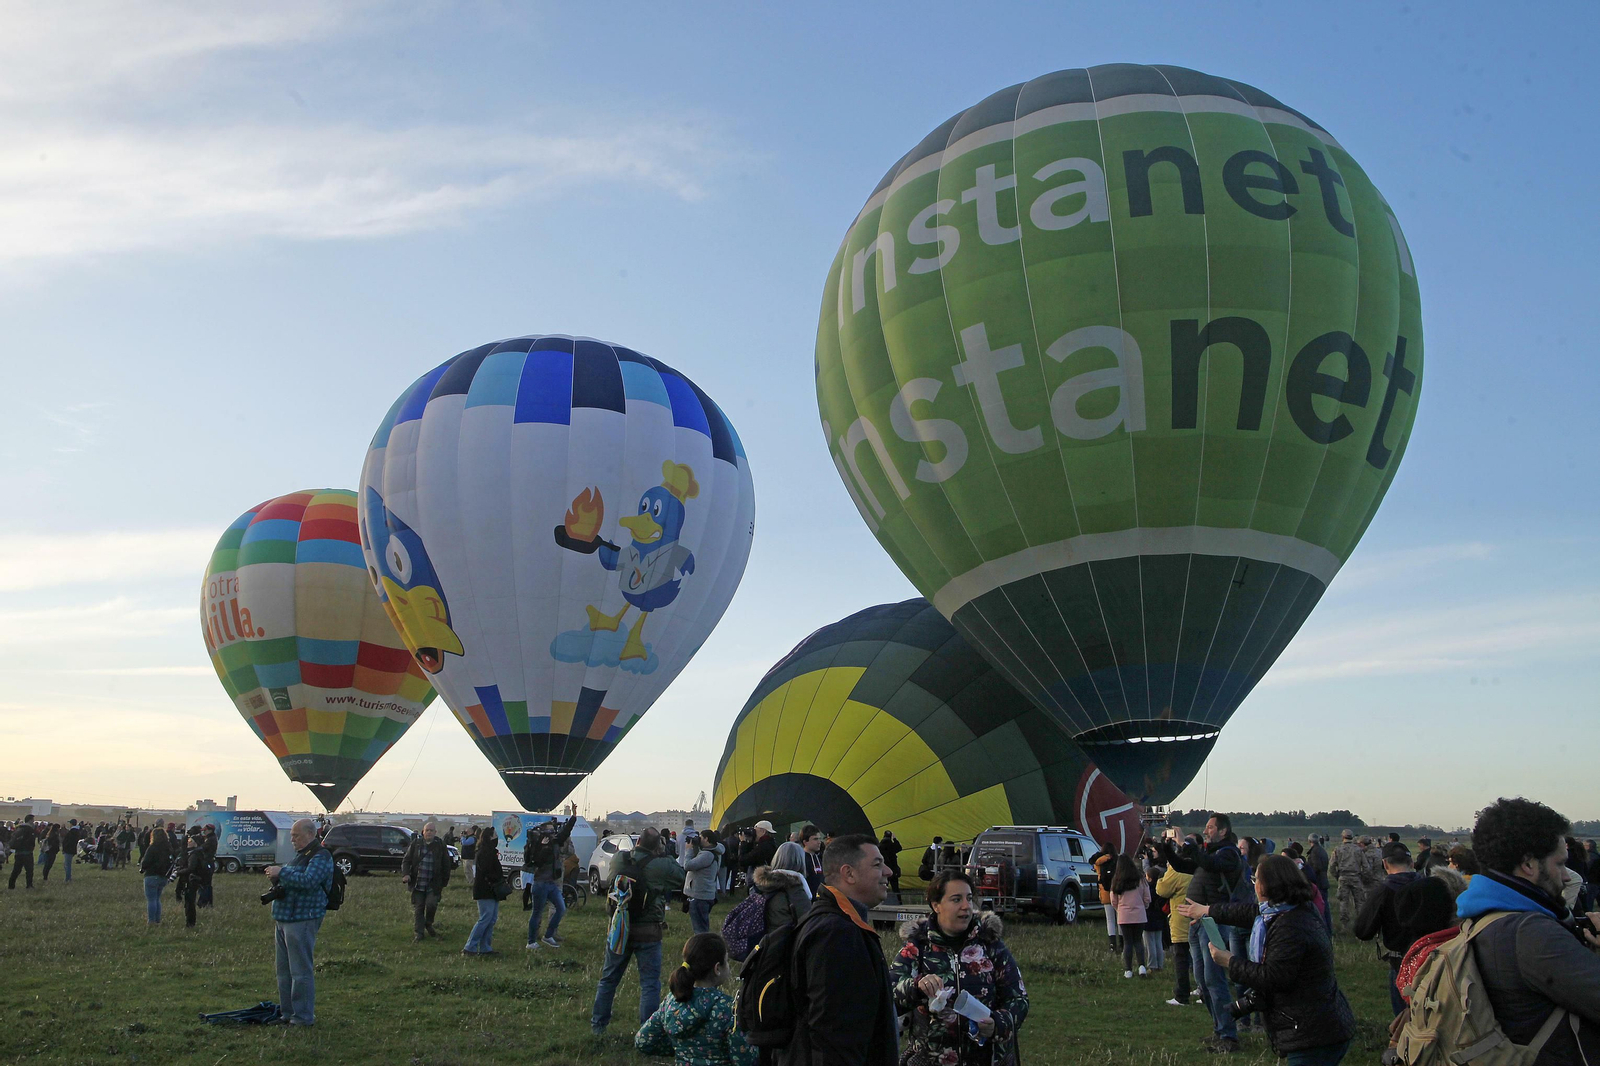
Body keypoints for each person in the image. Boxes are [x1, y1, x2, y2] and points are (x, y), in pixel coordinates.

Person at [1444, 797, 1600, 1062]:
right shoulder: (1533, 933)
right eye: (1560, 864)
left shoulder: (1481, 917)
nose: (1566, 876)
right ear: (1528, 865)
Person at [1179, 854, 1356, 1065]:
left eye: (1256, 880)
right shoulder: (1290, 910)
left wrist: (1230, 961)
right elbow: (1250, 912)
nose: (1254, 885)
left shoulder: (1289, 927)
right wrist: (1208, 910)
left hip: (1311, 1031)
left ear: (1267, 886)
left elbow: (1274, 977)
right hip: (1317, 1024)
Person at [891, 869, 1029, 1066]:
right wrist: (916, 987)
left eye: (969, 898)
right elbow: (889, 995)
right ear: (936, 905)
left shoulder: (990, 945)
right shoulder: (917, 947)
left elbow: (1018, 999)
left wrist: (998, 1024)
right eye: (956, 899)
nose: (966, 906)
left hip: (987, 1059)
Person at [786, 834, 896, 1066]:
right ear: (849, 873)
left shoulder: (834, 923)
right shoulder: (837, 933)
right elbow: (833, 1033)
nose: (888, 872)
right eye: (877, 864)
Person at [1160, 814, 1247, 1054]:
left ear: (1223, 831)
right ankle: (1220, 1029)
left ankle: (1229, 1036)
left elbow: (1209, 864)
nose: (1206, 831)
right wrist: (1167, 848)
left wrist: (1186, 844)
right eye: (1206, 827)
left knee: (1214, 979)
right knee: (1202, 980)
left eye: (1210, 827)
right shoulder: (1210, 854)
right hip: (1196, 923)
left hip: (1213, 922)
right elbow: (1183, 865)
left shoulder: (1228, 853)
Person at [592, 828, 688, 1035]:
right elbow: (681, 877)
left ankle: (598, 1027)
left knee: (608, 979)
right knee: (649, 984)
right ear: (657, 846)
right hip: (648, 930)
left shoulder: (619, 858)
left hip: (620, 926)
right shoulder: (661, 864)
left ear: (638, 842)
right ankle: (648, 1032)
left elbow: (610, 880)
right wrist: (665, 854)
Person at [635, 932, 756, 1066]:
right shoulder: (727, 1008)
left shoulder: (672, 1001)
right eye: (726, 961)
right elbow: (744, 1059)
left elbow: (643, 1041)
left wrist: (679, 1049)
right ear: (717, 968)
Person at [264, 818, 333, 1027]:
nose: (292, 839)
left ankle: (303, 1017)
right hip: (285, 918)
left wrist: (282, 872)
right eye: (292, 835)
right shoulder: (300, 856)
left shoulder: (321, 856)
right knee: (284, 972)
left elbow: (309, 880)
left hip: (303, 919)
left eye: (296, 835)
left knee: (300, 972)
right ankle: (287, 1014)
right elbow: (298, 877)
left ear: (311, 835)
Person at [1354, 841, 1422, 1015]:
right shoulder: (1432, 886)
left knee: (1404, 1022)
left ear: (1385, 864)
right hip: (1432, 959)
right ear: (1412, 863)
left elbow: (1363, 931)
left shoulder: (1383, 891)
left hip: (1401, 962)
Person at [525, 813, 577, 949]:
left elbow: (564, 833)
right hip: (540, 883)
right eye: (550, 830)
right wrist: (543, 847)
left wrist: (573, 818)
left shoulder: (554, 841)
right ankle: (531, 941)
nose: (553, 832)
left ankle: (548, 935)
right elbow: (536, 862)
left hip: (551, 882)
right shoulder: (537, 845)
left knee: (561, 908)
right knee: (537, 912)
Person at [400, 820, 453, 942]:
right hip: (418, 883)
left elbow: (446, 864)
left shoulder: (440, 845)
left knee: (431, 905)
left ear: (435, 832)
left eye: (431, 830)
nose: (429, 832)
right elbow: (406, 860)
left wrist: (444, 881)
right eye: (427, 830)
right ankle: (419, 933)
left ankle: (428, 924)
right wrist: (406, 874)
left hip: (433, 884)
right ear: (423, 832)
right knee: (418, 908)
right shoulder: (416, 844)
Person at [1156, 848, 1196, 1006]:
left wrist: (1166, 872)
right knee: (1200, 959)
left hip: (1181, 920)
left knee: (1181, 959)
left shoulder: (1177, 872)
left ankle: (1182, 995)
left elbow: (1162, 890)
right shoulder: (1196, 869)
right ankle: (1203, 991)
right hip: (1198, 919)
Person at [754, 841, 812, 934]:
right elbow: (807, 922)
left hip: (768, 939)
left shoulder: (764, 884)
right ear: (800, 860)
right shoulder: (795, 888)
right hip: (786, 941)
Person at [1110, 855, 1151, 978]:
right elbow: (1147, 897)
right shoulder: (1140, 879)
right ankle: (1142, 967)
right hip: (1139, 914)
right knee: (1138, 941)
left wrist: (1119, 909)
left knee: (1127, 943)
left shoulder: (1116, 880)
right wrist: (1143, 906)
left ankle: (1128, 970)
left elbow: (1113, 900)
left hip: (1124, 915)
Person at [464, 825, 502, 956]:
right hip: (485, 890)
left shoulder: (490, 851)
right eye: (495, 835)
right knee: (485, 918)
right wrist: (498, 879)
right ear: (489, 837)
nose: (497, 838)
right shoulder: (485, 852)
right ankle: (470, 947)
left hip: (491, 890)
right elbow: (487, 871)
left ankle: (485, 947)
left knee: (491, 919)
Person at [681, 828, 724, 935]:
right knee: (702, 925)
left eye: (700, 838)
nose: (698, 840)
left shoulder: (707, 855)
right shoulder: (714, 851)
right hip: (705, 894)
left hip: (700, 896)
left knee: (700, 930)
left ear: (706, 839)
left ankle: (703, 948)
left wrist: (689, 850)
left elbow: (688, 865)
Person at [1328, 830, 1365, 932]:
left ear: (1342, 837)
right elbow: (1365, 866)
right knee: (1359, 902)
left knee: (1344, 902)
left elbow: (1331, 866)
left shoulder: (1338, 849)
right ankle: (1361, 925)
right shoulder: (1358, 850)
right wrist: (1363, 876)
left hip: (1343, 877)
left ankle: (1345, 926)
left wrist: (1337, 876)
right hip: (1356, 877)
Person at [1090, 842, 1120, 953]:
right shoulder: (1117, 860)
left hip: (1105, 892)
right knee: (1119, 918)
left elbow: (1092, 861)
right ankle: (1122, 942)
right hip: (1118, 891)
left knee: (1110, 919)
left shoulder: (1098, 862)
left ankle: (1112, 944)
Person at [139, 825, 170, 923]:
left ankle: (151, 920)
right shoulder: (168, 848)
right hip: (163, 876)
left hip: (151, 875)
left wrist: (143, 868)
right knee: (157, 899)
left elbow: (146, 862)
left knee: (151, 899)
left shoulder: (152, 847)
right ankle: (157, 919)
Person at [182, 831, 211, 929]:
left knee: (190, 903)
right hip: (196, 880)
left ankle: (190, 923)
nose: (188, 842)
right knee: (190, 902)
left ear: (196, 843)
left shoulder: (194, 854)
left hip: (193, 880)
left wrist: (178, 872)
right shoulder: (198, 853)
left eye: (190, 840)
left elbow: (191, 868)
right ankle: (190, 922)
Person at [8, 815, 36, 889]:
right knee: (29, 870)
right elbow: (31, 841)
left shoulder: (19, 828)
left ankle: (11, 885)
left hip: (18, 852)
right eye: (33, 820)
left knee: (16, 870)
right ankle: (29, 885)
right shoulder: (29, 829)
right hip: (27, 852)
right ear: (30, 820)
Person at [798, 825, 825, 896]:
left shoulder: (819, 858)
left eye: (819, 839)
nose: (819, 842)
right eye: (815, 839)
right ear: (805, 842)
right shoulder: (800, 860)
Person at [878, 830, 902, 896]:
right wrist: (895, 839)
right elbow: (899, 848)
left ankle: (882, 900)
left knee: (884, 886)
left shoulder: (880, 846)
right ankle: (899, 901)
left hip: (884, 869)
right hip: (893, 869)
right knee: (895, 887)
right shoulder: (892, 845)